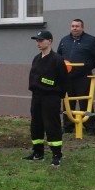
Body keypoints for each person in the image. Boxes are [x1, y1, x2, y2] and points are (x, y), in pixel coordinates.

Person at [25, 31, 69, 166]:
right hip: (37, 96)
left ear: (49, 41)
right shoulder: (36, 58)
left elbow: (63, 81)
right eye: (37, 41)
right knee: (36, 124)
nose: (38, 43)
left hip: (51, 97)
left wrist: (55, 93)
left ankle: (56, 154)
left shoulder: (57, 59)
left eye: (41, 40)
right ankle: (38, 152)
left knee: (52, 125)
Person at [56, 19, 95, 134]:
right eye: (72, 26)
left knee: (85, 102)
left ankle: (90, 127)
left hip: (83, 77)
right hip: (68, 77)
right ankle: (67, 126)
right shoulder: (64, 40)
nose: (74, 28)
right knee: (67, 102)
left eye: (77, 26)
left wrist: (87, 66)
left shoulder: (91, 40)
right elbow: (59, 55)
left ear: (82, 27)